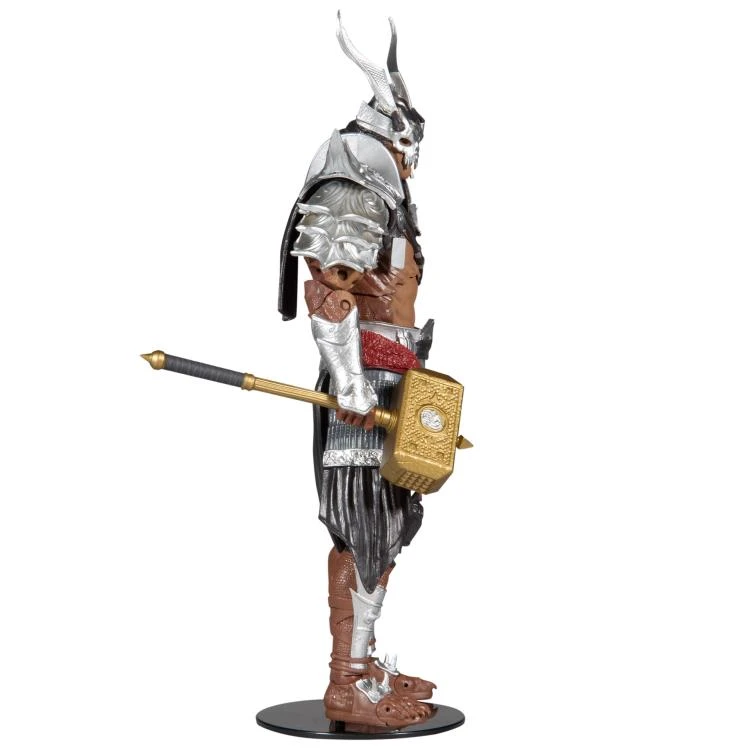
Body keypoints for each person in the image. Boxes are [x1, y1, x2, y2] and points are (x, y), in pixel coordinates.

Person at [278, 15, 437, 728]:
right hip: (364, 383)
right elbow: (329, 290)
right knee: (364, 527)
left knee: (391, 522)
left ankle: (365, 664)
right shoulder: (356, 169)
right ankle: (347, 685)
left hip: (394, 370)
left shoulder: (380, 177)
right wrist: (348, 383)